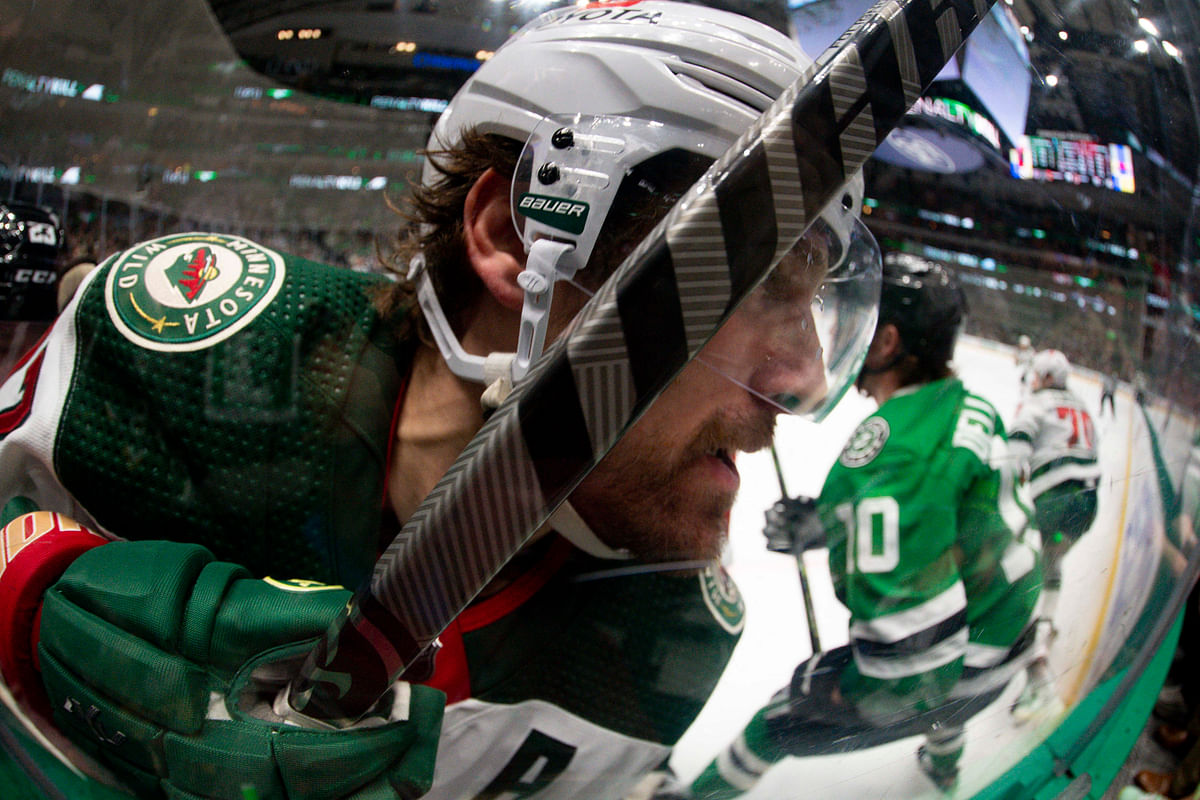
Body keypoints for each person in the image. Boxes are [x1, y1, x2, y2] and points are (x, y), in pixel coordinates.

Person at [0, 3, 882, 799]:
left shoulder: (672, 639)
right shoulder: (206, 349)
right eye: (759, 279)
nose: (803, 376)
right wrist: (26, 593)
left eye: (811, 301)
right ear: (516, 236)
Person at [690, 253, 1042, 796]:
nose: (845, 334)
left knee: (783, 714)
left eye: (863, 321)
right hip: (1008, 627)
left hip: (969, 662)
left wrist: (840, 691)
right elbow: (944, 518)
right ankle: (943, 772)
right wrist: (830, 522)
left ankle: (695, 795)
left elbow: (917, 660)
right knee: (947, 706)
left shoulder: (889, 457)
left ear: (887, 343)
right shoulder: (968, 405)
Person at [1007, 348, 1101, 719]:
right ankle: (1046, 620)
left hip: (1053, 501)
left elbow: (1017, 444)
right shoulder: (1081, 406)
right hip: (1087, 505)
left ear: (1045, 377)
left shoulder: (1037, 402)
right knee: (1052, 564)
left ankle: (1038, 673)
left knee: (1022, 571)